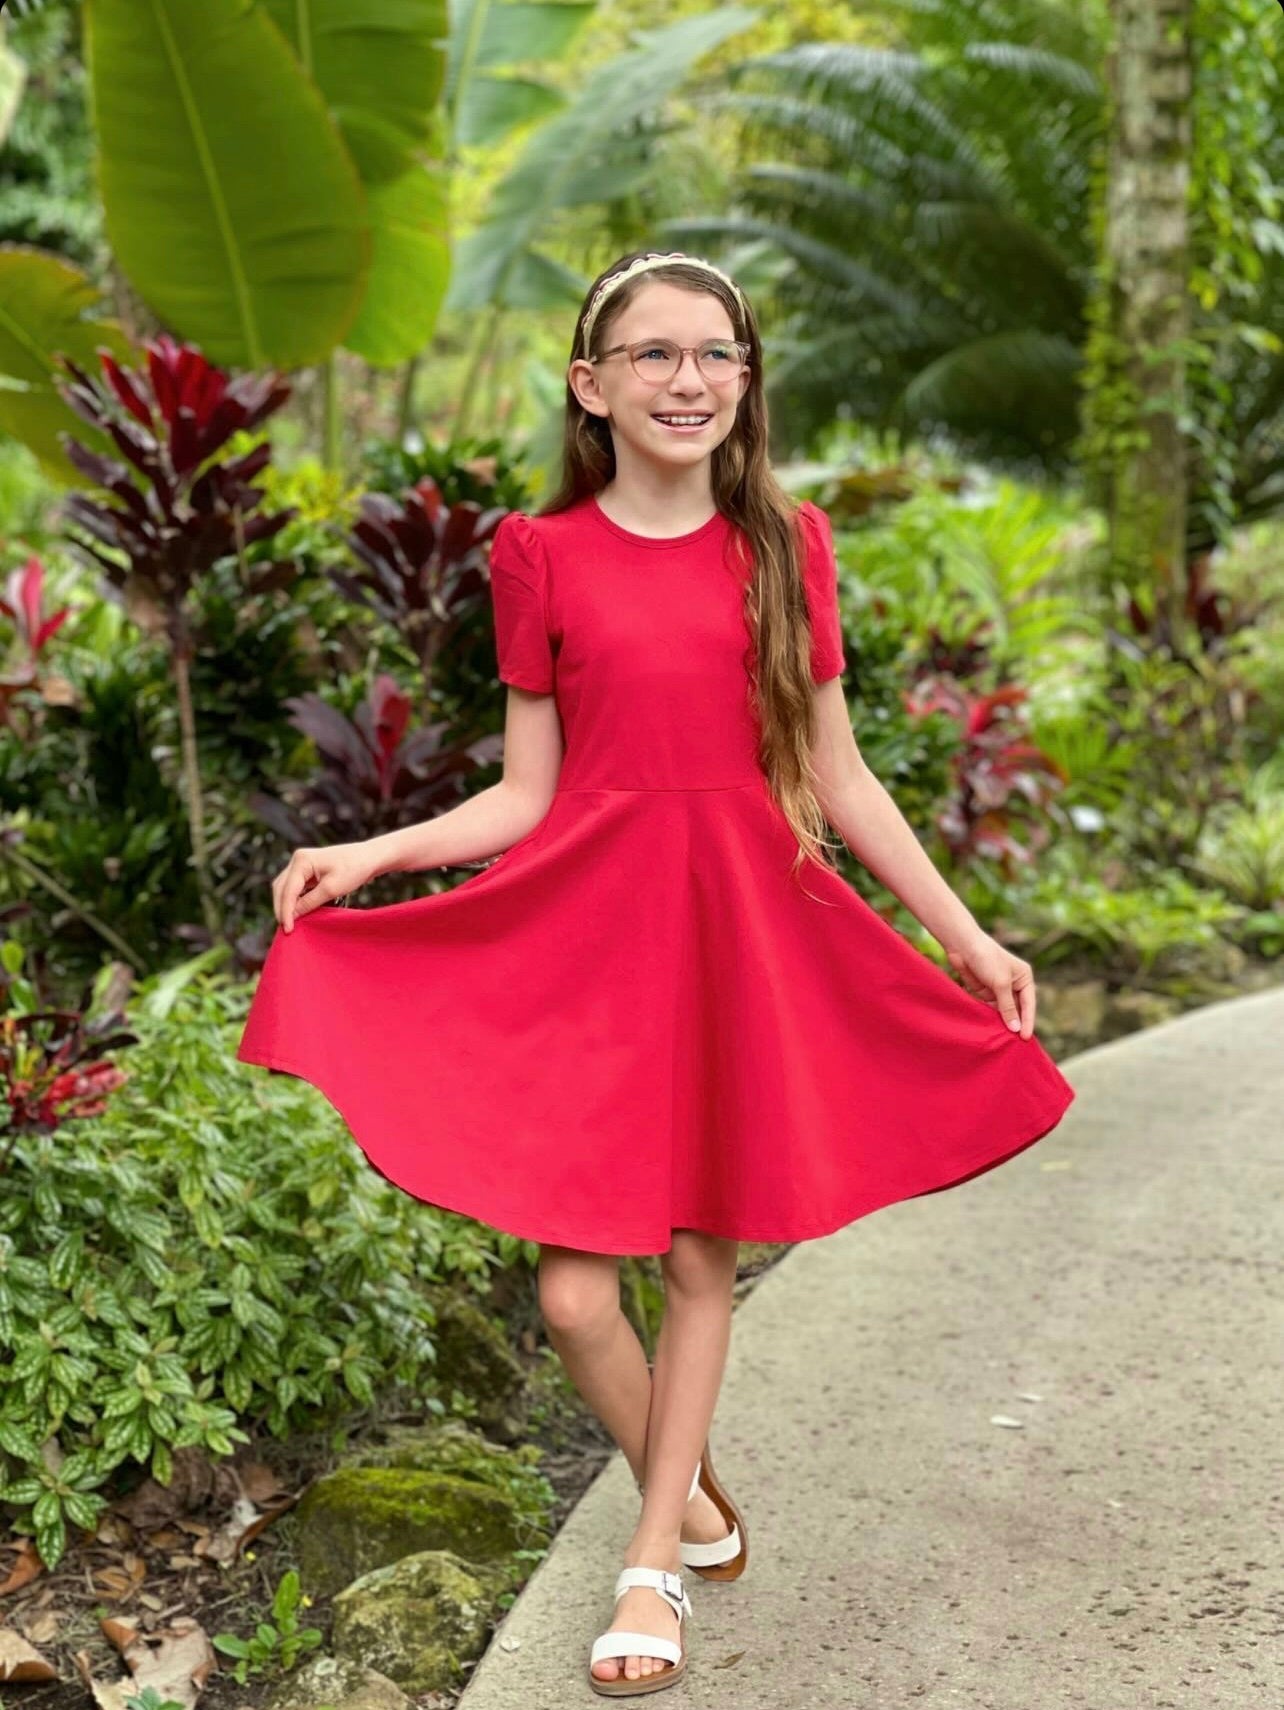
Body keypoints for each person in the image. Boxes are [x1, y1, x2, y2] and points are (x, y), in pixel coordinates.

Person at [236, 248, 1076, 1697]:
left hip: (743, 921)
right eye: (655, 355)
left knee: (699, 1252)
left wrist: (963, 931)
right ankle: (685, 1485)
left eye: (717, 355)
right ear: (594, 384)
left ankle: (649, 1561)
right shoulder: (539, 552)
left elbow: (839, 773)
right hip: (591, 932)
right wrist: (375, 857)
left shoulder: (786, 545)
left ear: (746, 382)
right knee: (571, 1297)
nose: (688, 379)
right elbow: (524, 792)